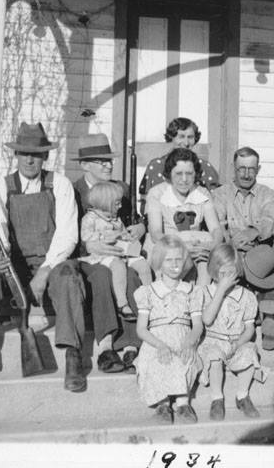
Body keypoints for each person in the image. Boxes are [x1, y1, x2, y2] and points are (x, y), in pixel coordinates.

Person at [0, 122, 88, 392]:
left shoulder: (60, 184)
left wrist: (45, 272)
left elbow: (68, 235)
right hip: (14, 266)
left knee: (69, 277)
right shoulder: (0, 187)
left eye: (36, 154)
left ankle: (72, 356)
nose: (30, 159)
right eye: (24, 153)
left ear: (45, 156)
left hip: (53, 263)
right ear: (17, 156)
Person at [71, 134, 145, 374]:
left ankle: (132, 346)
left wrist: (139, 228)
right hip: (88, 256)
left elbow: (133, 219)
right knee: (103, 276)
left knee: (133, 275)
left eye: (109, 160)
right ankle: (106, 347)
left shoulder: (120, 188)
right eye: (100, 161)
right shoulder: (74, 192)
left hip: (118, 252)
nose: (108, 165)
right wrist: (90, 246)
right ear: (84, 165)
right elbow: (71, 234)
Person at [211, 146, 274, 349]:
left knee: (270, 262)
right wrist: (232, 242)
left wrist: (253, 232)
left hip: (257, 250)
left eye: (251, 169)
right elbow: (219, 224)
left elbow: (270, 220)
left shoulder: (267, 194)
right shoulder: (220, 194)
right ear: (234, 168)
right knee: (229, 263)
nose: (246, 174)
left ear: (258, 169)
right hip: (231, 250)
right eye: (242, 168)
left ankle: (269, 317)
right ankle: (242, 320)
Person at [134, 235, 204, 424]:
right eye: (168, 260)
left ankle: (182, 403)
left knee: (186, 358)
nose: (174, 264)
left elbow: (197, 325)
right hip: (155, 339)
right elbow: (141, 329)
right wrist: (159, 345)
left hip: (182, 334)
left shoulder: (192, 291)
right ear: (159, 262)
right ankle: (162, 404)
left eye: (178, 259)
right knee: (156, 361)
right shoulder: (148, 292)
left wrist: (190, 341)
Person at [198, 244, 262, 421]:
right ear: (213, 270)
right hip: (213, 340)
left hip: (236, 341)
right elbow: (207, 320)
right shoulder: (204, 292)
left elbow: (249, 329)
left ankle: (242, 395)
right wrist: (220, 290)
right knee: (213, 356)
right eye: (222, 273)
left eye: (231, 273)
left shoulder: (246, 296)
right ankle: (217, 398)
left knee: (249, 351)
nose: (226, 278)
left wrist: (239, 343)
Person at [145, 148, 224, 286]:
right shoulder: (157, 193)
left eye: (189, 173)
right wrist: (183, 248)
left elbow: (216, 229)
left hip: (196, 249)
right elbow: (155, 233)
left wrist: (211, 247)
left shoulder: (202, 193)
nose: (184, 179)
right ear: (169, 174)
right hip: (166, 249)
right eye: (178, 173)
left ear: (196, 174)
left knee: (207, 256)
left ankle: (200, 296)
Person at [79, 181, 152, 319]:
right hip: (102, 255)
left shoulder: (116, 219)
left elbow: (124, 234)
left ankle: (149, 299)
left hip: (121, 252)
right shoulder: (90, 219)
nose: (120, 206)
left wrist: (128, 237)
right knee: (118, 266)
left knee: (143, 265)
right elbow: (85, 236)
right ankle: (122, 304)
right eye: (117, 203)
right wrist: (105, 236)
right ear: (105, 203)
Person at [138, 117, 220, 200]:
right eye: (181, 137)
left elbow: (216, 200)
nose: (186, 143)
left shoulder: (205, 167)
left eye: (190, 137)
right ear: (171, 137)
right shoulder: (156, 165)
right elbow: (145, 199)